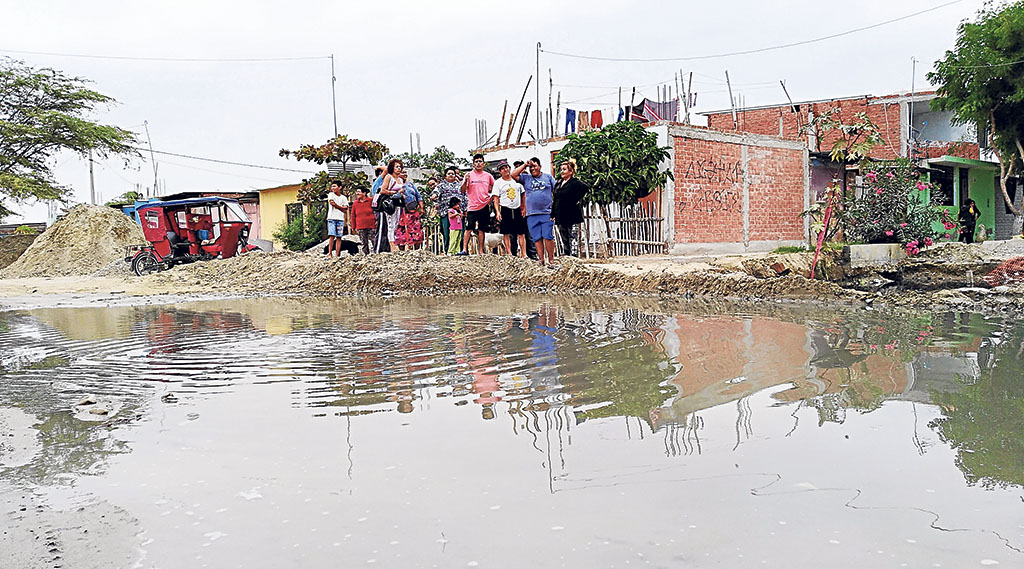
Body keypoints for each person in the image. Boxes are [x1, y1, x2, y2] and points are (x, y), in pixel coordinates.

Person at [511, 157, 557, 266]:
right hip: (532, 214)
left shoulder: (548, 177)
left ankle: (551, 260)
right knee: (537, 238)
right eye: (531, 167)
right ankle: (541, 260)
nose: (532, 169)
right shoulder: (526, 178)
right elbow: (513, 175)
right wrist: (525, 165)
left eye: (534, 166)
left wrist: (555, 210)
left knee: (548, 236)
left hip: (546, 212)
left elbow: (556, 192)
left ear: (540, 167)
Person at [551, 159, 589, 257]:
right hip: (561, 214)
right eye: (561, 169)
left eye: (564, 169)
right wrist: (553, 213)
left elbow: (585, 188)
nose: (562, 172)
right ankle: (567, 255)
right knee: (564, 237)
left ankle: (574, 257)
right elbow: (555, 198)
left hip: (572, 215)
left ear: (571, 171)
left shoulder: (574, 182)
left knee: (573, 237)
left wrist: (576, 199)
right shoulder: (559, 183)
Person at [491, 161, 527, 257]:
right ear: (499, 171)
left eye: (506, 167)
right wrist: (497, 211)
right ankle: (509, 252)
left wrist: (524, 207)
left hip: (517, 208)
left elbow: (523, 194)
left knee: (521, 232)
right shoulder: (498, 183)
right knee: (506, 232)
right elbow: (495, 198)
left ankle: (523, 253)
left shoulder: (516, 180)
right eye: (502, 168)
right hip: (505, 208)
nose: (505, 170)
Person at [462, 153, 494, 255]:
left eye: (480, 161)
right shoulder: (468, 175)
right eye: (476, 162)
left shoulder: (488, 176)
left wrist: (491, 197)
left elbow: (496, 187)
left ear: (484, 163)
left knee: (482, 229)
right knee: (469, 228)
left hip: (484, 206)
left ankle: (481, 250)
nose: (478, 163)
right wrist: (465, 181)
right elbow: (462, 190)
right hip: (472, 206)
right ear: (473, 164)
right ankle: (464, 250)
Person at [431, 167, 465, 254]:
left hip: (458, 214)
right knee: (447, 233)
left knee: (460, 233)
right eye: (448, 173)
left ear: (455, 175)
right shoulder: (441, 185)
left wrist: (465, 209)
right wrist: (434, 196)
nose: (450, 175)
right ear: (445, 176)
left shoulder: (459, 185)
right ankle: (448, 251)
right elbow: (436, 192)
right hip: (446, 213)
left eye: (452, 173)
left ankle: (459, 251)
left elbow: (465, 196)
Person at [374, 159, 405, 252]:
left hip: (398, 204)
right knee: (390, 224)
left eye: (400, 167)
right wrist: (393, 193)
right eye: (396, 167)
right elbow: (383, 190)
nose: (398, 169)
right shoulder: (388, 177)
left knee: (396, 224)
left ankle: (394, 242)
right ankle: (392, 245)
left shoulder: (400, 179)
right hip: (389, 204)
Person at [394, 171, 424, 250]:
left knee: (416, 230)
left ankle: (417, 251)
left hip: (414, 211)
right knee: (401, 231)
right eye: (402, 173)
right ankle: (402, 252)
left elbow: (418, 196)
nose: (404, 174)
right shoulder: (395, 185)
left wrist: (421, 207)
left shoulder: (410, 185)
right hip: (402, 212)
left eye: (405, 172)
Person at [326, 179, 350, 257]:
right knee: (332, 236)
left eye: (334, 186)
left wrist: (341, 208)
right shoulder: (331, 194)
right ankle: (330, 253)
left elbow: (346, 208)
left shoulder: (344, 198)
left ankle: (337, 254)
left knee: (339, 237)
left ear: (339, 187)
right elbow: (332, 203)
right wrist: (341, 208)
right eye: (332, 186)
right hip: (332, 218)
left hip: (340, 219)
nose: (332, 188)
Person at [350, 186, 376, 255]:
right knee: (364, 242)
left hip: (371, 224)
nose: (357, 193)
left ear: (364, 193)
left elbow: (376, 211)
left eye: (359, 192)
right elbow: (353, 215)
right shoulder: (355, 203)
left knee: (374, 240)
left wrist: (376, 221)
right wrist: (353, 226)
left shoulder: (371, 201)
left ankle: (376, 253)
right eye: (357, 192)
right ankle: (366, 254)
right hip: (360, 226)